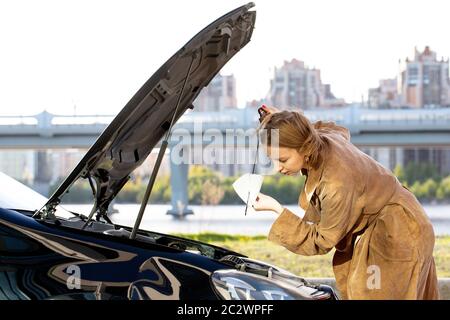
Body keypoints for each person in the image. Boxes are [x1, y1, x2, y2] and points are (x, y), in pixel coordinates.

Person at [252, 106, 439, 300]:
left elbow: (321, 240)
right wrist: (282, 121)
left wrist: (277, 209)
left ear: (304, 148)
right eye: (272, 160)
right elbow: (332, 129)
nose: (277, 168)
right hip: (404, 220)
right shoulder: (322, 138)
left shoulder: (336, 183)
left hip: (399, 233)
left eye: (282, 160)